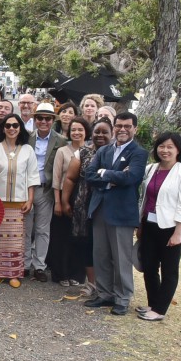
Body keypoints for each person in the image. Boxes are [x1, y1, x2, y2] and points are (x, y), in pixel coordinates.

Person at [84, 112, 147, 315]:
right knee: (100, 254)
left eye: (127, 126)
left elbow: (132, 177)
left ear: (134, 129)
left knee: (121, 258)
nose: (122, 129)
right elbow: (90, 175)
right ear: (114, 127)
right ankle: (104, 294)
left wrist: (106, 173)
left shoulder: (138, 153)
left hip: (122, 212)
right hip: (100, 207)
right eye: (119, 125)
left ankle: (122, 298)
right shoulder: (103, 150)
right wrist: (114, 177)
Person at [136, 133, 181, 321]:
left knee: (169, 270)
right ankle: (153, 303)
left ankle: (160, 309)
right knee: (149, 266)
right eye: (161, 146)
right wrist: (140, 225)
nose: (165, 150)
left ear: (178, 149)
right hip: (149, 224)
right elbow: (143, 198)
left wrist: (178, 232)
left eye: (170, 147)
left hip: (170, 228)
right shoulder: (151, 169)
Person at [61, 118, 113, 297]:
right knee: (87, 244)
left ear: (111, 134)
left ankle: (107, 284)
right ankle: (92, 283)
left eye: (104, 132)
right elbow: (70, 178)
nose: (100, 135)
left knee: (106, 245)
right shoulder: (82, 153)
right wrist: (65, 201)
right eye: (97, 131)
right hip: (84, 204)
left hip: (107, 206)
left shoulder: (116, 153)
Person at [0, 114, 38, 287]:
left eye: (15, 125)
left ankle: (14, 274)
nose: (11, 128)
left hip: (18, 203)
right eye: (8, 125)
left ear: (20, 128)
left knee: (15, 240)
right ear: (3, 128)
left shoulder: (27, 150)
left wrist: (30, 199)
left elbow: (32, 176)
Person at [25, 102, 67, 282]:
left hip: (46, 189)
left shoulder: (61, 140)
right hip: (27, 189)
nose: (43, 121)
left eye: (47, 118)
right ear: (35, 120)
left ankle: (39, 266)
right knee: (26, 229)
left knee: (43, 230)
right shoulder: (26, 138)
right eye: (40, 118)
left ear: (52, 121)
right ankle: (25, 264)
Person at [50, 117, 91, 286]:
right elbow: (57, 177)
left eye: (80, 129)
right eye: (73, 130)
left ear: (86, 132)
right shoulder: (62, 151)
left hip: (84, 199)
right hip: (64, 195)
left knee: (80, 237)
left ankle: (77, 274)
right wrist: (58, 202)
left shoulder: (91, 151)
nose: (76, 133)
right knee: (62, 237)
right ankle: (61, 274)